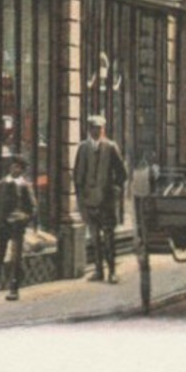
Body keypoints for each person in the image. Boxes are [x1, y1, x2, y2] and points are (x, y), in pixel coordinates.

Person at [73, 114, 128, 284]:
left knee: (109, 237)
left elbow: (122, 173)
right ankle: (98, 271)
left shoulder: (111, 147)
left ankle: (112, 271)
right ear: (89, 130)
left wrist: (115, 190)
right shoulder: (83, 148)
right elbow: (77, 175)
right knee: (95, 238)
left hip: (106, 201)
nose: (98, 132)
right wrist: (80, 197)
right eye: (95, 129)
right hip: (89, 201)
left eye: (100, 129)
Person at [0, 158, 37, 300]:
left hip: (16, 227)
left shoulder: (25, 186)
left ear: (22, 170)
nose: (15, 170)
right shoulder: (2, 184)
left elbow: (33, 208)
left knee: (15, 258)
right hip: (2, 226)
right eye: (13, 167)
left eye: (18, 168)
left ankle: (14, 288)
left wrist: (23, 217)